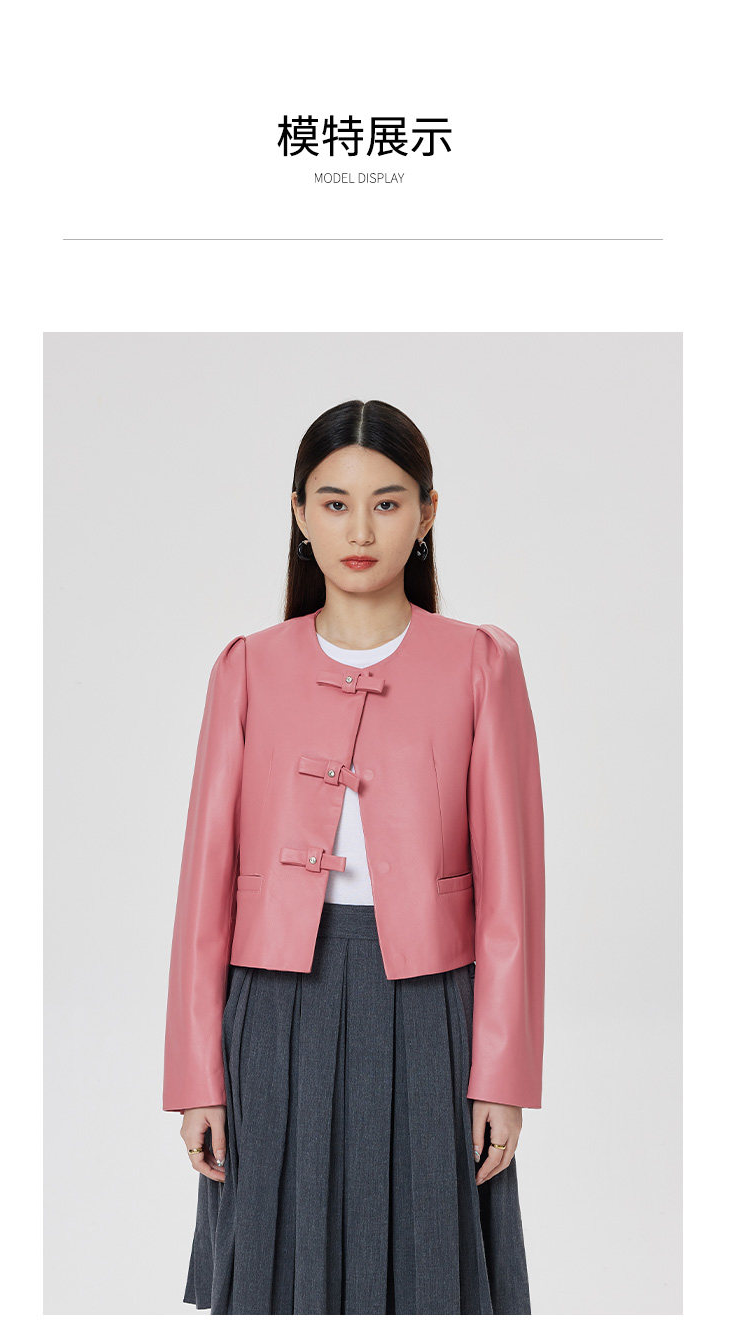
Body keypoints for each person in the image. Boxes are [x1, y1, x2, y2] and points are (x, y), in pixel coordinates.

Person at [162, 398, 546, 1314]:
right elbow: (203, 889)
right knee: (275, 1269)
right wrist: (195, 1076)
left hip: (431, 1006)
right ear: (299, 513)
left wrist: (503, 1074)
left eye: (387, 502)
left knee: (430, 1267)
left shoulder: (480, 663)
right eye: (334, 503)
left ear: (427, 512)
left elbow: (513, 894)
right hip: (273, 1006)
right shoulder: (247, 666)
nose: (360, 530)